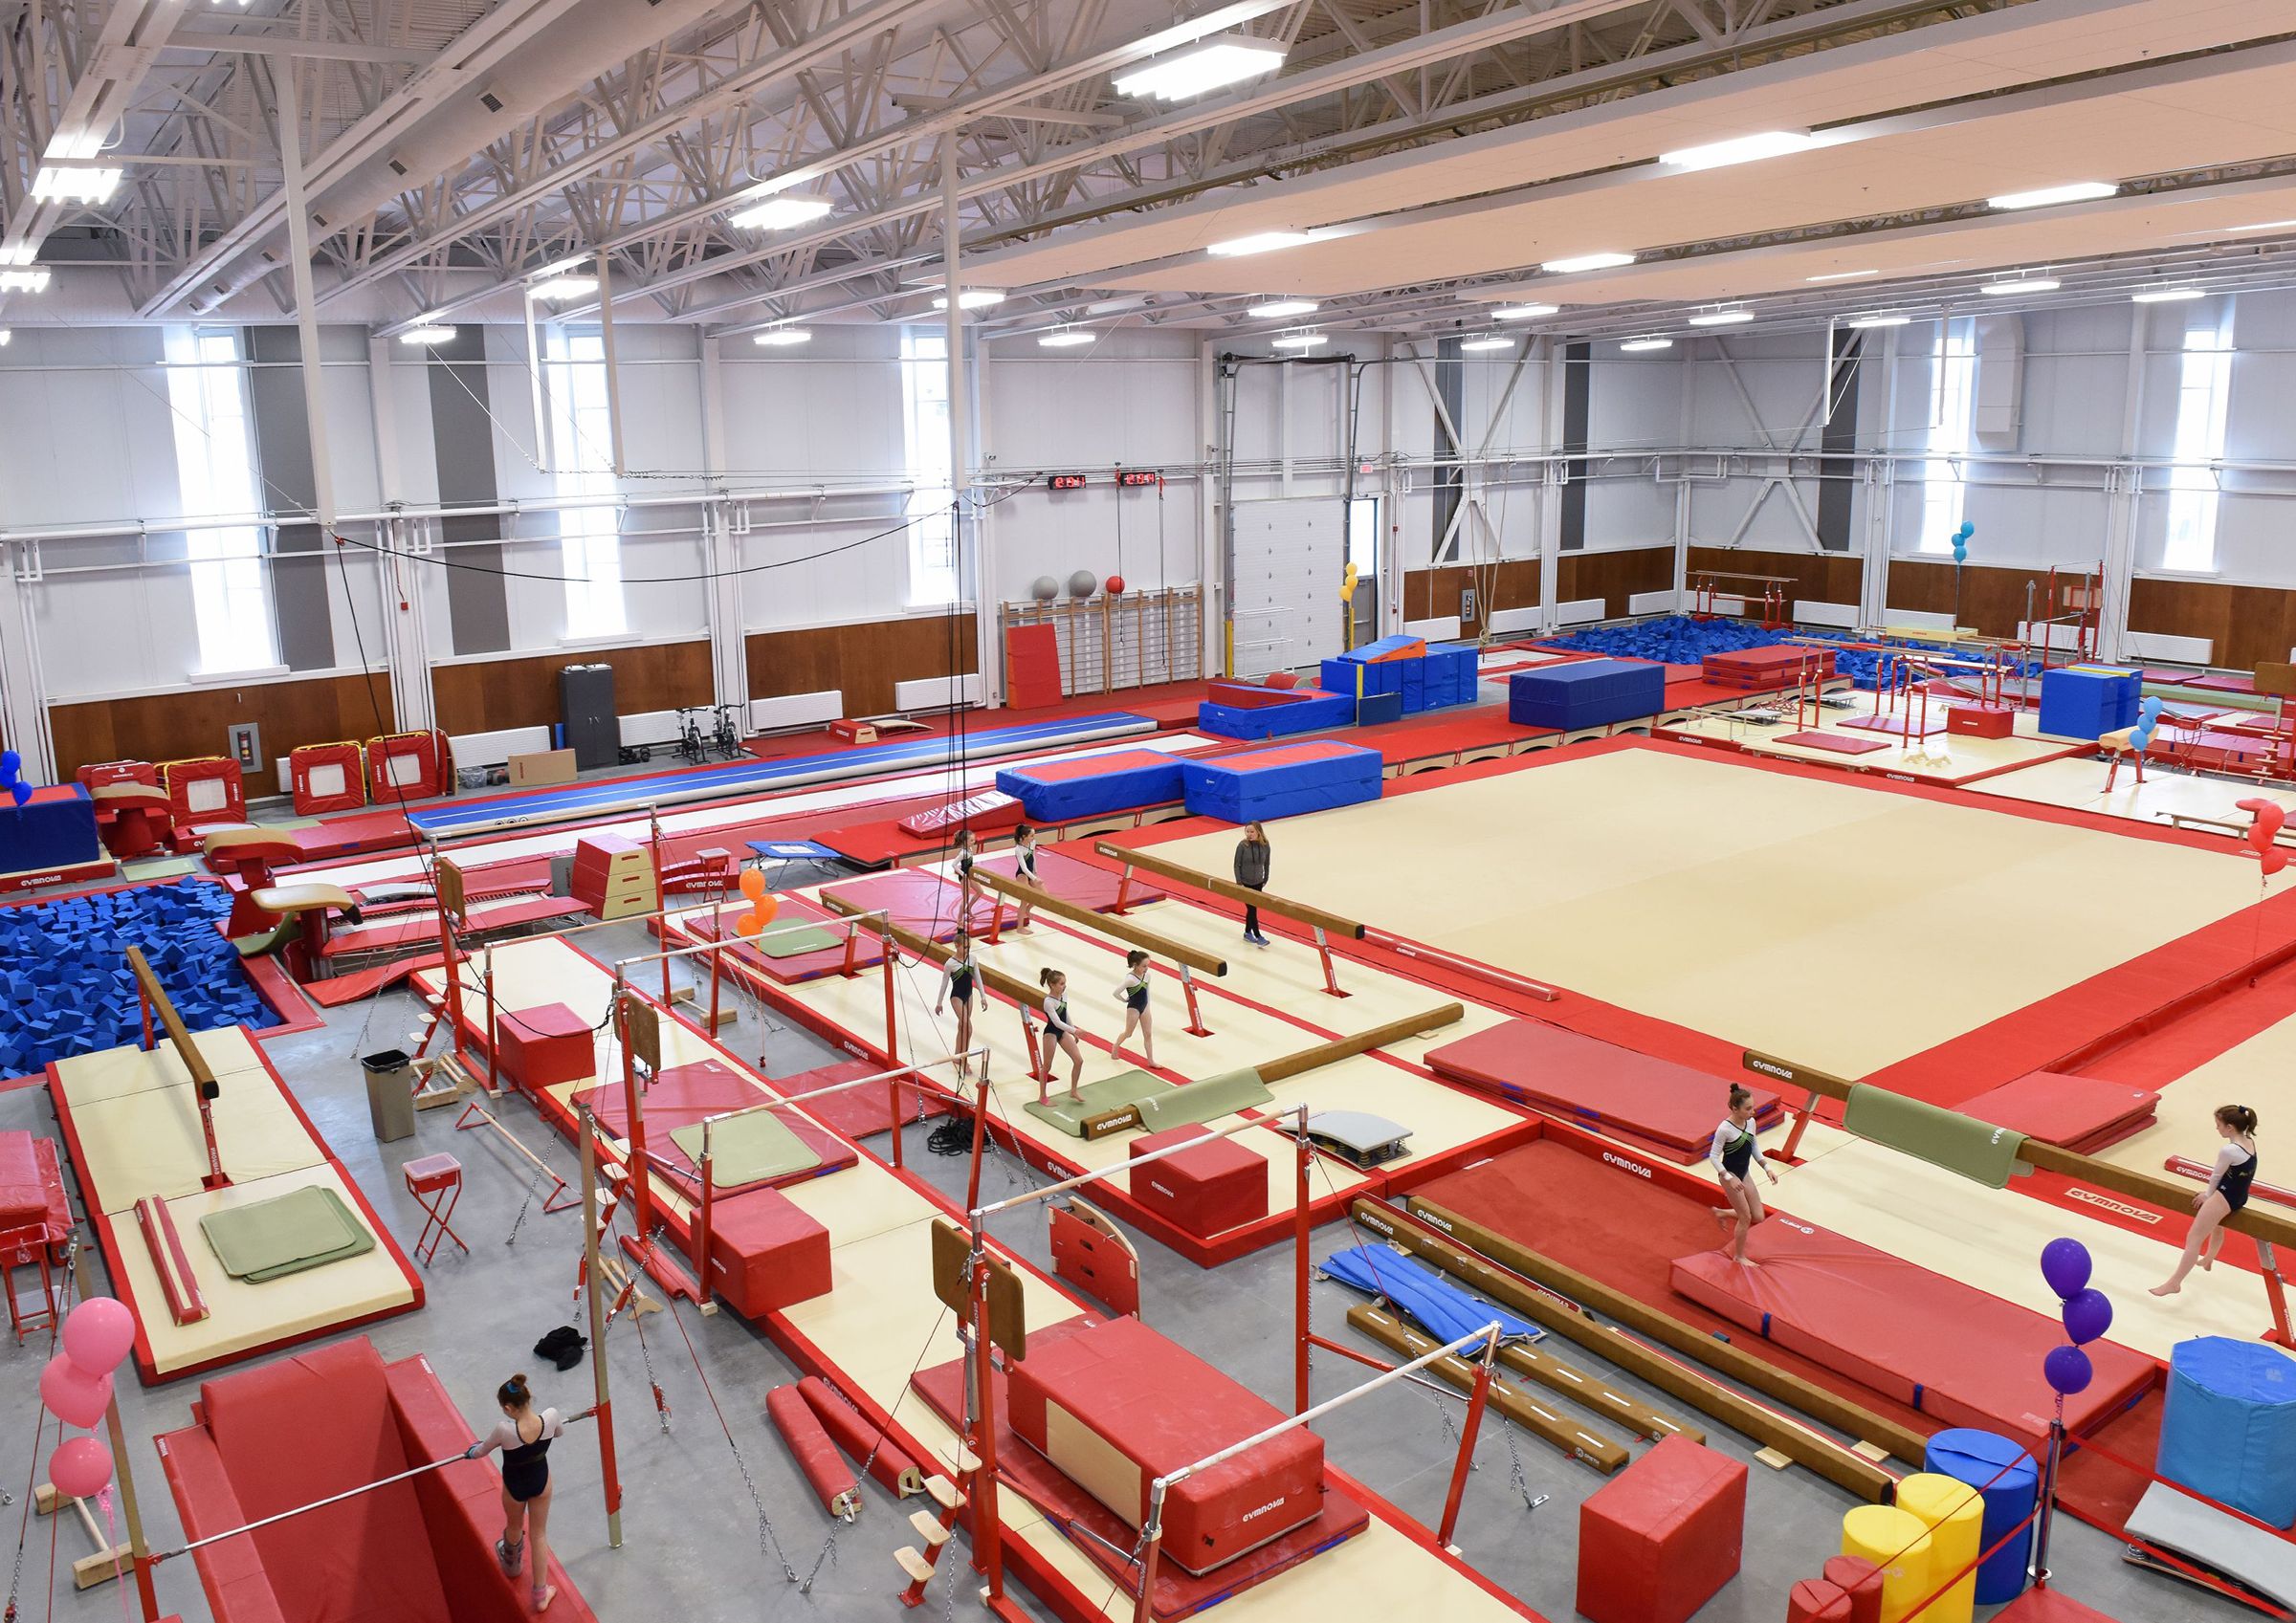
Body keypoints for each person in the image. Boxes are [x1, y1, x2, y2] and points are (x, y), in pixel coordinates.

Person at [464, 1373, 563, 1612]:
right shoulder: (551, 1416)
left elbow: (480, 1452)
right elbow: (559, 1432)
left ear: (508, 1408)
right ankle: (540, 1596)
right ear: (528, 1396)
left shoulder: (504, 1430)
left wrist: (470, 1452)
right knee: (539, 1535)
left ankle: (512, 1566)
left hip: (515, 1486)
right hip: (541, 1482)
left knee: (514, 1526)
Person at [2152, 1105, 2260, 1297]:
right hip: (2240, 1196)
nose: (2216, 1128)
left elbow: (2216, 1176)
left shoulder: (2229, 1150)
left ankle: (2174, 1283)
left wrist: (2208, 1195)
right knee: (2217, 1226)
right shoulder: (2249, 1141)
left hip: (2225, 1196)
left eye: (2219, 1124)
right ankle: (2209, 1257)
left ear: (2230, 1128)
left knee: (2194, 1238)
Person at [1709, 1086, 1777, 1266]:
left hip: (1744, 1173)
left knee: (1758, 1216)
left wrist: (1767, 1168)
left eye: (1752, 1107)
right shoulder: (1724, 1129)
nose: (1752, 1111)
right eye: (1748, 1108)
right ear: (1734, 1109)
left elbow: (1753, 1146)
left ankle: (1722, 1212)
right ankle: (1739, 1256)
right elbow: (1713, 1157)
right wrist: (1729, 1178)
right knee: (1745, 1217)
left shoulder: (1750, 1122)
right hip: (1730, 1175)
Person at [1037, 968, 1084, 1104]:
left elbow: (1065, 1013)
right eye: (1061, 984)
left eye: (1065, 983)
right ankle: (1042, 1097)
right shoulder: (1048, 1002)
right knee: (1047, 1066)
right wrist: (1074, 1031)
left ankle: (1073, 1091)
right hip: (1051, 1033)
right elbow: (1057, 1022)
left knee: (1079, 1060)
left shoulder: (1064, 995)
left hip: (1062, 1032)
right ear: (1052, 985)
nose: (1064, 986)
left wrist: (1072, 1030)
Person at [936, 931, 979, 1078]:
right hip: (957, 997)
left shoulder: (972, 959)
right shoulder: (950, 963)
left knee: (962, 1026)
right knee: (968, 1028)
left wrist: (983, 997)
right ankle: (964, 1060)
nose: (967, 950)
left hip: (969, 995)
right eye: (965, 947)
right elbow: (944, 983)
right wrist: (939, 1002)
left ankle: (956, 1055)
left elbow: (978, 978)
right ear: (956, 945)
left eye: (969, 947)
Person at [1113, 949, 1156, 1068]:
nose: (1146, 968)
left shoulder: (1147, 976)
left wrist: (1148, 1006)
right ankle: (1115, 1046)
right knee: (1128, 1033)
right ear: (1135, 965)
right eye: (1144, 966)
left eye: (1148, 966)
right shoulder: (1130, 979)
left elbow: (1147, 992)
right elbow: (1115, 993)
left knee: (1148, 1034)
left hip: (1145, 1006)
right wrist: (1124, 1000)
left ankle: (1151, 1061)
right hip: (1134, 1008)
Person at [1234, 822, 1271, 947]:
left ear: (1258, 832)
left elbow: (1266, 863)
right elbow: (1236, 864)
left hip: (1258, 882)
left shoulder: (1265, 845)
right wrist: (1239, 882)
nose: (1249, 834)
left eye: (1252, 832)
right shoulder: (1242, 845)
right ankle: (1258, 936)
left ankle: (1247, 932)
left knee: (1252, 909)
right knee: (1252, 909)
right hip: (1245, 882)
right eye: (1247, 831)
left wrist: (1265, 878)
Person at [1010, 824, 1043, 932]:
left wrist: (1035, 872)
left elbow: (1033, 857)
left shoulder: (1032, 843)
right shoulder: (1018, 849)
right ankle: (1020, 928)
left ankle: (1028, 909)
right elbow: (1024, 868)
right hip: (1022, 875)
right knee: (1024, 900)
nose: (1034, 837)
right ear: (1024, 836)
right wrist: (1034, 879)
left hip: (1031, 873)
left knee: (1043, 895)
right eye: (1031, 835)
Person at [951, 829, 980, 921]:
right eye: (971, 840)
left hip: (969, 874)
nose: (973, 842)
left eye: (974, 839)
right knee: (966, 898)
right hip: (964, 877)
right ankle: (959, 919)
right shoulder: (962, 853)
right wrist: (963, 874)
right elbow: (954, 865)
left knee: (980, 891)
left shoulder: (970, 849)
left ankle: (968, 908)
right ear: (964, 841)